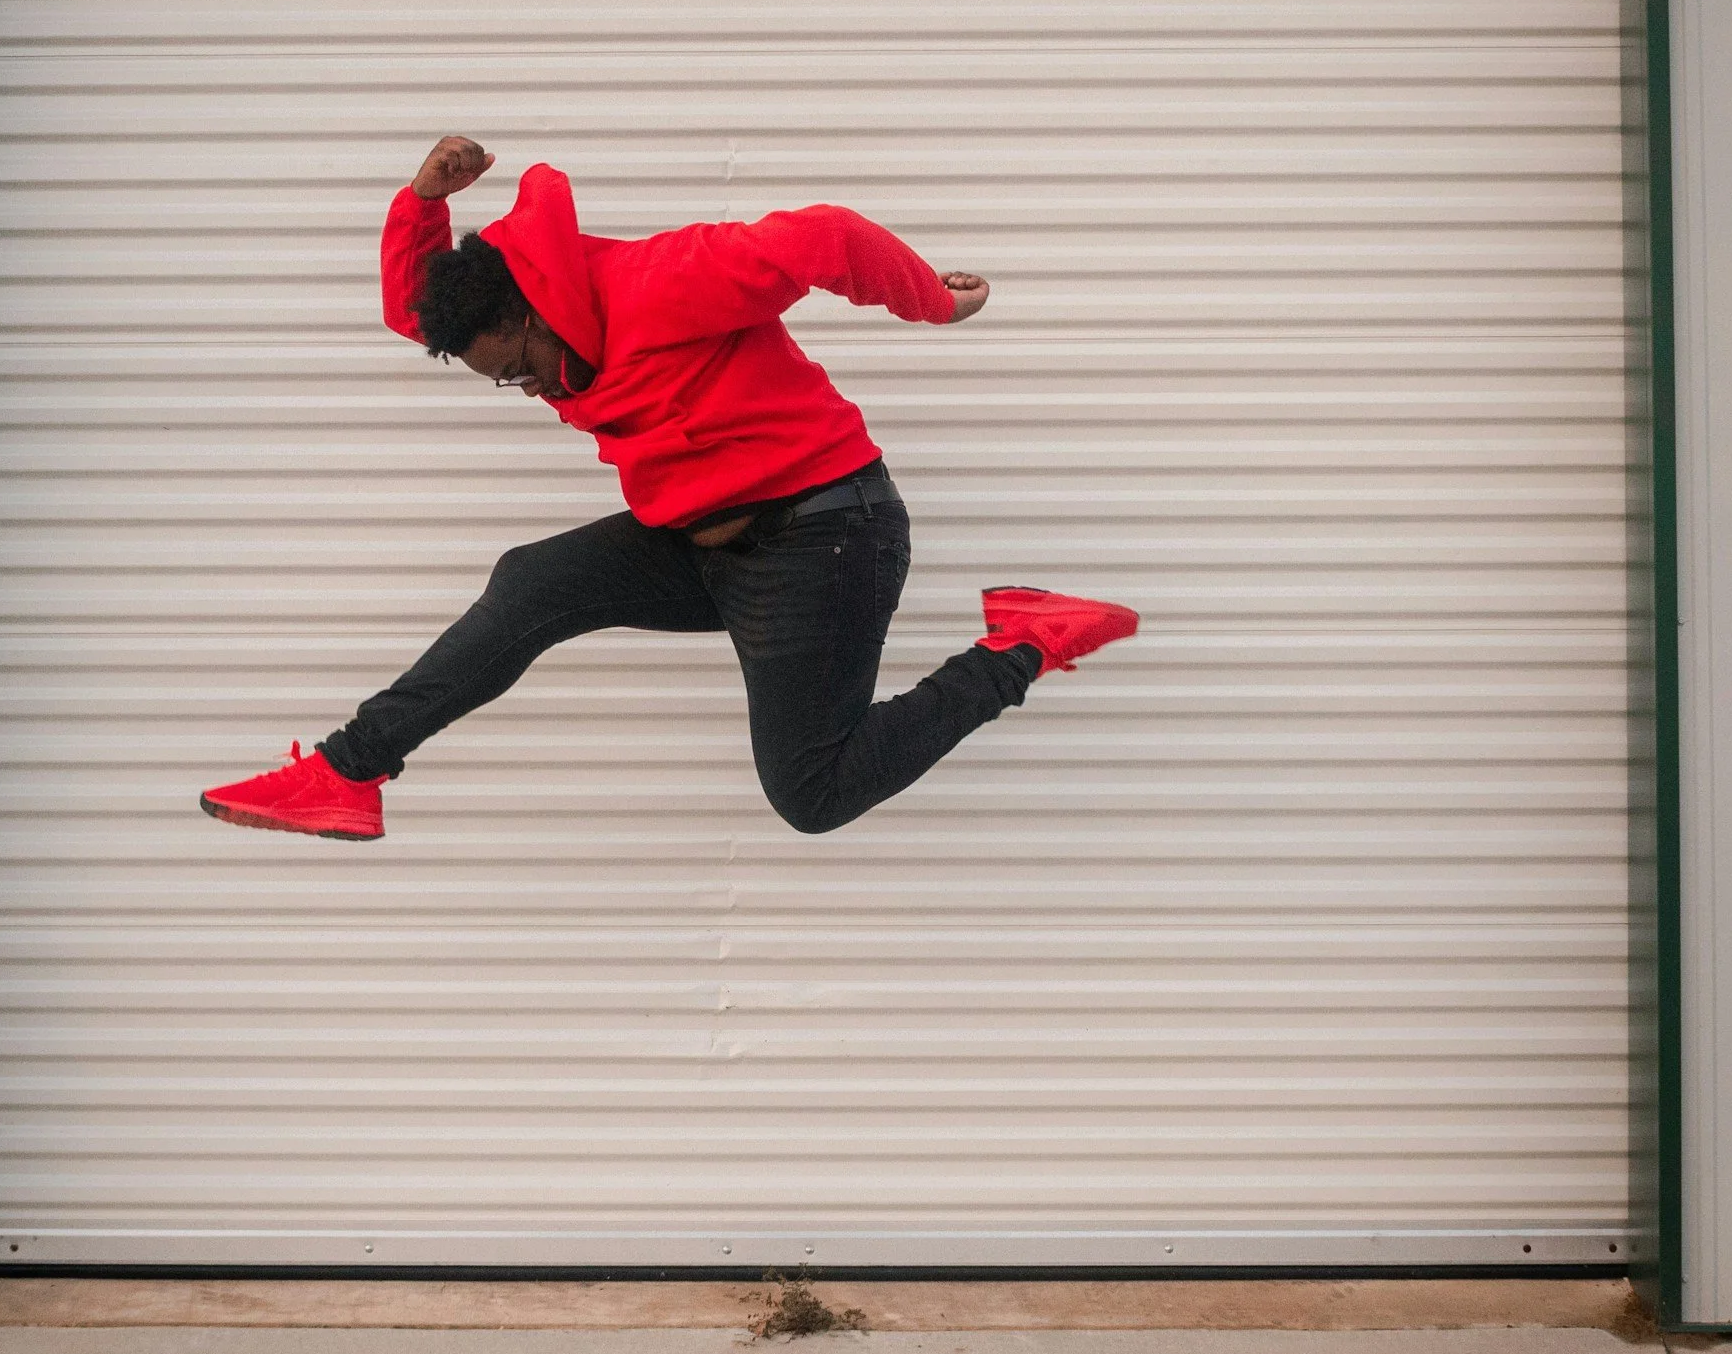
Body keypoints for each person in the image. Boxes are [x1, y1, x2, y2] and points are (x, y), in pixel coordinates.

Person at [200, 136, 1138, 842]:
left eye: (519, 366)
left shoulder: (662, 281)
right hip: (704, 543)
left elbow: (823, 238)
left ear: (538, 305)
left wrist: (934, 300)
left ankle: (1024, 641)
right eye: (500, 381)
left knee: (812, 794)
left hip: (828, 535)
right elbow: (418, 312)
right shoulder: (508, 322)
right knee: (531, 581)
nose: (524, 389)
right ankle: (348, 771)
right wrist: (419, 204)